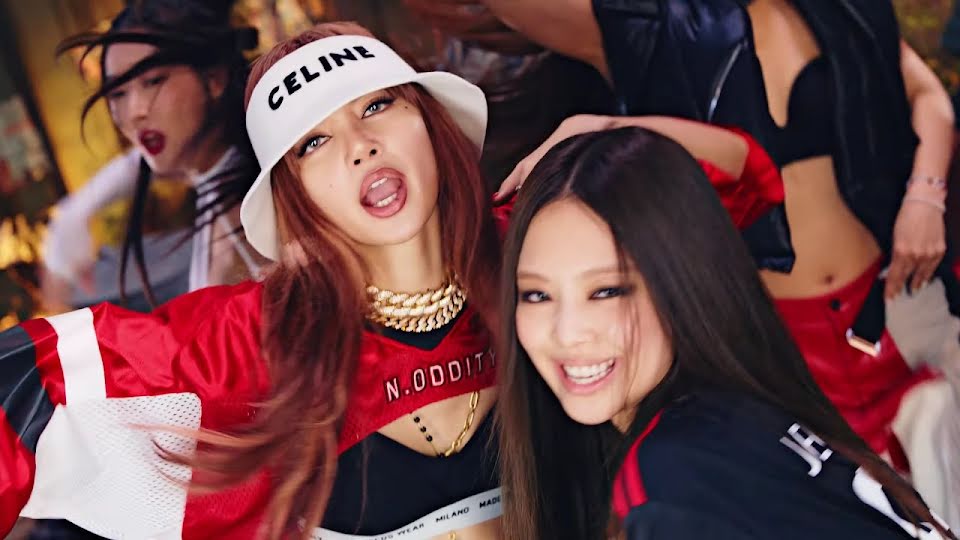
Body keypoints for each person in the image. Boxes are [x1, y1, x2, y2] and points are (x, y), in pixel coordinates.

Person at [0, 21, 786, 540]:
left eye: (378, 106)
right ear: (293, 194)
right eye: (313, 143)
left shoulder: (543, 252)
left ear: (430, 121)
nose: (360, 145)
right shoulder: (252, 337)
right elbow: (28, 391)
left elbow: (744, 182)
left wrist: (609, 134)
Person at [487, 0, 958, 489]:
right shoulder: (651, 27)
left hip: (895, 303)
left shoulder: (841, 9)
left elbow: (926, 93)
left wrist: (926, 195)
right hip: (774, 340)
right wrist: (605, 128)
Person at [497, 126, 955, 540]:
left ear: (683, 284)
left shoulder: (677, 474)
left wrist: (606, 128)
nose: (568, 333)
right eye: (537, 295)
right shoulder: (737, 418)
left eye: (607, 291)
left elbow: (751, 168)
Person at [42, 0, 267, 311]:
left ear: (214, 78)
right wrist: (76, 212)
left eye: (153, 81)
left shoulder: (254, 210)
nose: (135, 112)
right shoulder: (218, 189)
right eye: (117, 93)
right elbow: (136, 163)